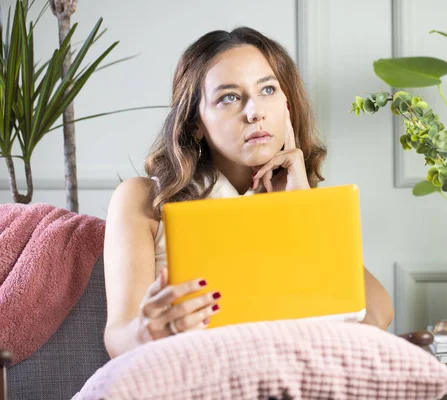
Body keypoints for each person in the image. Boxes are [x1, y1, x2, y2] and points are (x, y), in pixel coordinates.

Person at [103, 27, 394, 359]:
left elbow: (376, 316)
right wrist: (147, 331)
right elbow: (118, 339)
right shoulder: (142, 199)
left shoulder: (301, 199)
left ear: (286, 105)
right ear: (195, 121)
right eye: (229, 96)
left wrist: (300, 208)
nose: (254, 111)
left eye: (267, 89)